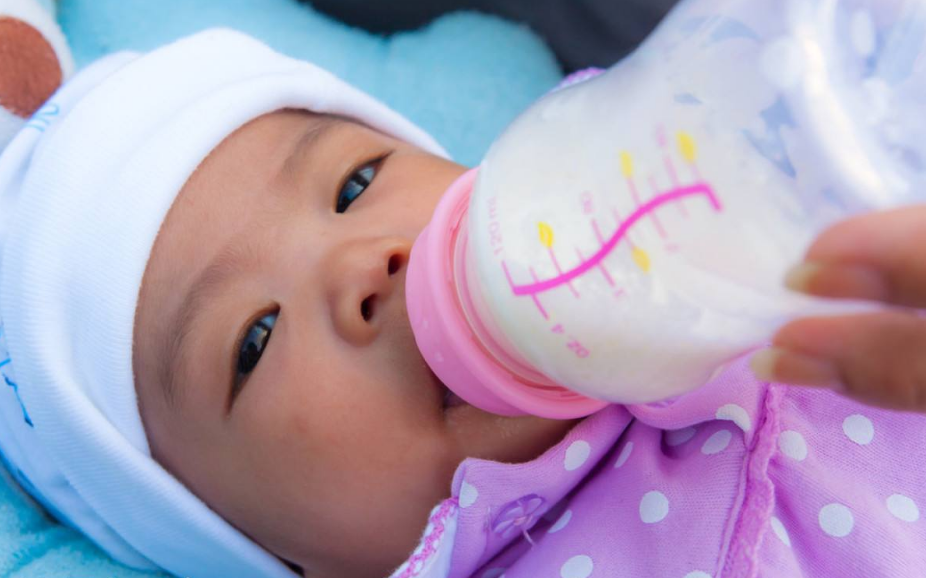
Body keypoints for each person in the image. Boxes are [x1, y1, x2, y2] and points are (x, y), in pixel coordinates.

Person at [0, 28, 923, 578]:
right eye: (255, 338)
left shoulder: (671, 191)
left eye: (355, 184)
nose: (365, 263)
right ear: (276, 555)